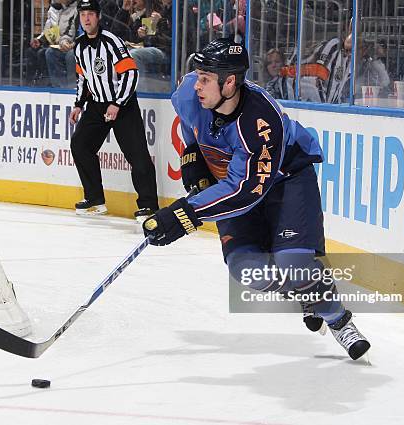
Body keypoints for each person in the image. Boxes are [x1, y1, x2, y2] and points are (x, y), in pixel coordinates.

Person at [142, 38, 371, 360]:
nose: (197, 84)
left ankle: (336, 317)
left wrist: (184, 215)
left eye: (206, 79)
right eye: (198, 75)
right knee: (246, 270)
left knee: (293, 264)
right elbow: (190, 128)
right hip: (235, 187)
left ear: (231, 82)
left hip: (285, 182)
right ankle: (306, 282)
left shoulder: (260, 122)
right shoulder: (189, 91)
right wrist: (192, 158)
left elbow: (246, 192)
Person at [69, 0, 159, 220]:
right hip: (97, 105)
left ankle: (149, 205)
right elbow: (83, 78)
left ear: (98, 17)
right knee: (80, 145)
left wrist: (117, 103)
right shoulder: (79, 45)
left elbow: (131, 73)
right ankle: (95, 199)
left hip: (122, 105)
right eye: (83, 14)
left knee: (137, 155)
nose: (87, 18)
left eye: (91, 14)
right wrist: (79, 104)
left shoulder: (111, 42)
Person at [45, 0, 80, 88]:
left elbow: (72, 31)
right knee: (50, 53)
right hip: (61, 44)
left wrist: (65, 41)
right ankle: (59, 88)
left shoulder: (77, 8)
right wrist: (40, 39)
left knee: (71, 55)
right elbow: (48, 28)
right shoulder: (53, 8)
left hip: (75, 44)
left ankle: (72, 88)